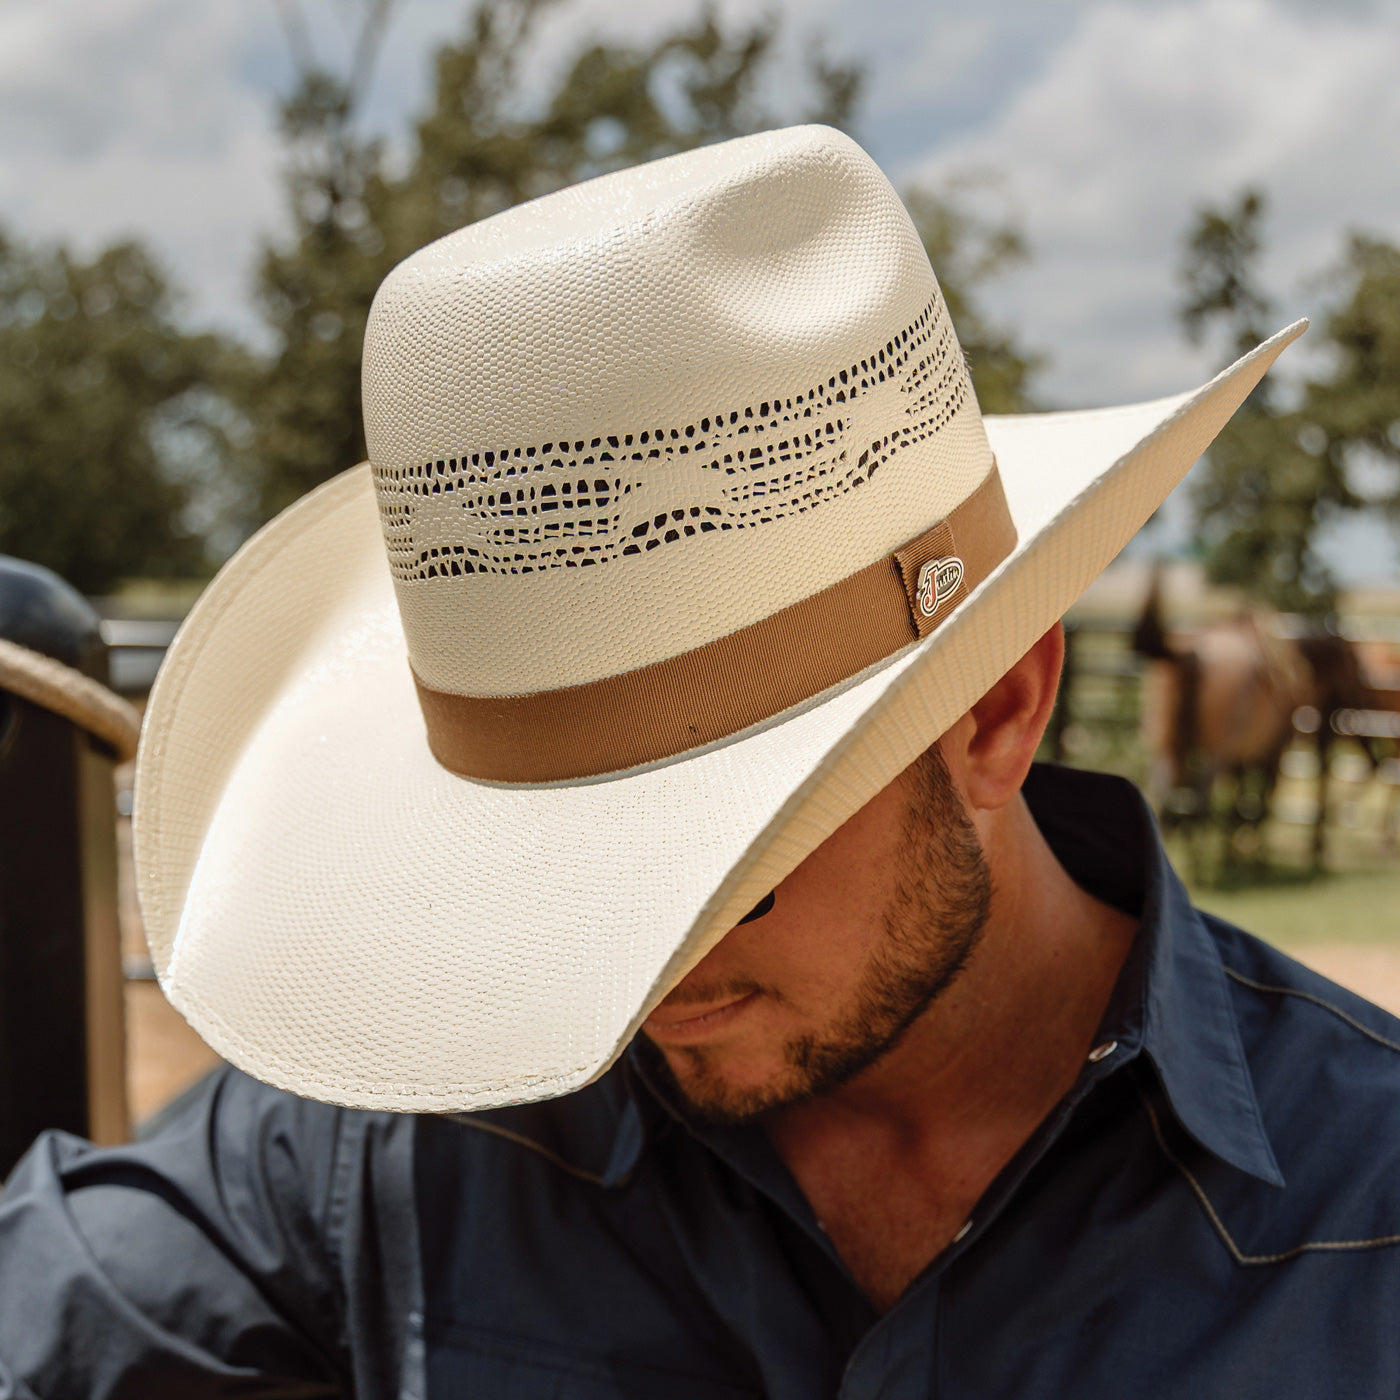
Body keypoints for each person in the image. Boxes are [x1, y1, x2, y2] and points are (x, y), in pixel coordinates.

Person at [2, 126, 1393, 1399]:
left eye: (719, 867)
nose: (631, 975)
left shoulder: (1366, 1220)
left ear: (994, 713)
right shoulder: (404, 1141)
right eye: (541, 865)